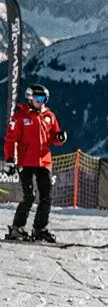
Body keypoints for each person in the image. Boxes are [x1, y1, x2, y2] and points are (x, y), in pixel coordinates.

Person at [3, 84, 67, 243]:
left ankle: (40, 229)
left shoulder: (49, 115)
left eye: (44, 99)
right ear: (30, 98)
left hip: (44, 161)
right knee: (29, 196)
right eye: (38, 99)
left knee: (46, 197)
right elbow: (10, 141)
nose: (41, 102)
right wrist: (10, 160)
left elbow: (52, 137)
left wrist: (59, 138)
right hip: (25, 161)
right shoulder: (19, 117)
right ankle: (17, 228)